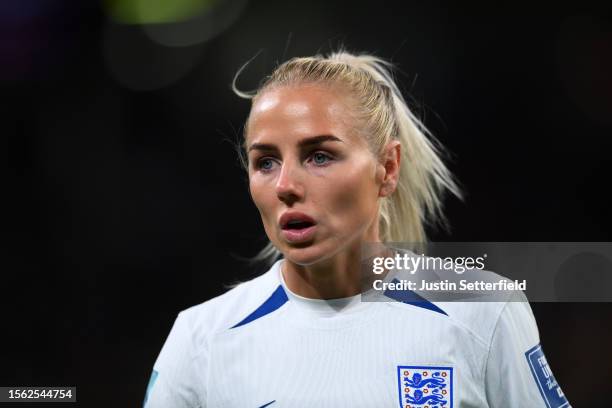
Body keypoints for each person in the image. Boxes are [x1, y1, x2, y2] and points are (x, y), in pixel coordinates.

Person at [143, 50, 570, 407]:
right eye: (265, 162)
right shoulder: (201, 340)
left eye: (319, 156)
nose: (286, 185)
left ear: (387, 168)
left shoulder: (483, 313)